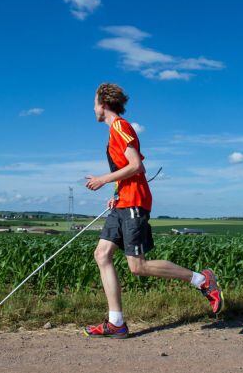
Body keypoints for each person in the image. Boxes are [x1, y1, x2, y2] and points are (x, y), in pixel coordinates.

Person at [83, 82, 223, 339]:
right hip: (123, 200)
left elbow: (137, 166)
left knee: (137, 266)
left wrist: (103, 179)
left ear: (103, 104)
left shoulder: (120, 127)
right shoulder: (114, 131)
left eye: (94, 102)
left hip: (135, 202)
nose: (92, 108)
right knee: (102, 255)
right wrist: (115, 192)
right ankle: (116, 323)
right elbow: (127, 170)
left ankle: (202, 280)